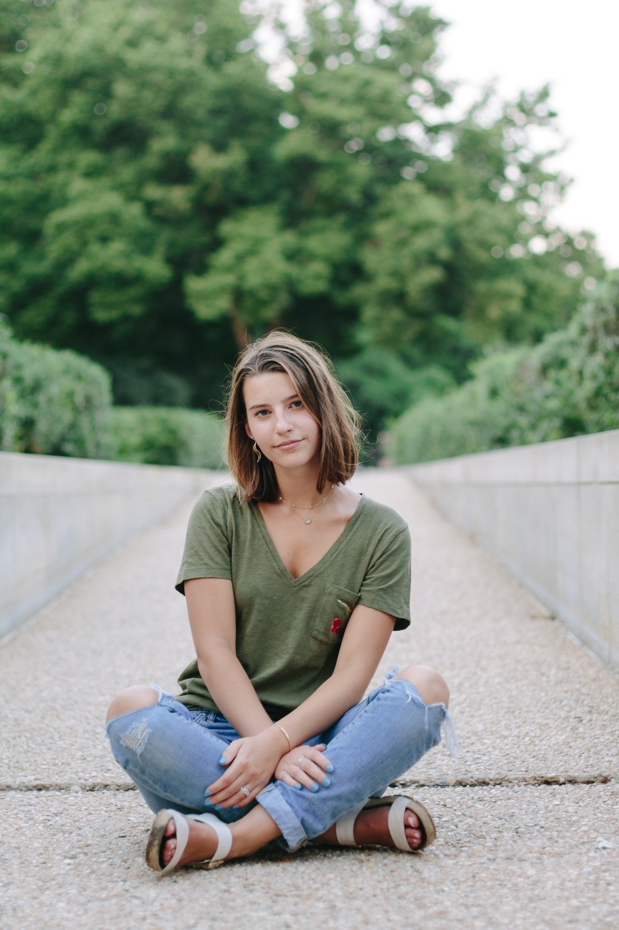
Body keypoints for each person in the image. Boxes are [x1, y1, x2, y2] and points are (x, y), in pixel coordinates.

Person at [104, 331, 455, 873]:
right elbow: (215, 649)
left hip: (326, 737)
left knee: (424, 692)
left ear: (323, 408)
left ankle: (234, 837)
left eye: (296, 404)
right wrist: (269, 748)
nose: (282, 425)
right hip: (219, 735)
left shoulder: (383, 532)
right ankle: (336, 822)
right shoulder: (219, 512)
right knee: (130, 712)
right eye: (262, 412)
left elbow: (352, 677)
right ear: (248, 429)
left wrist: (287, 741)